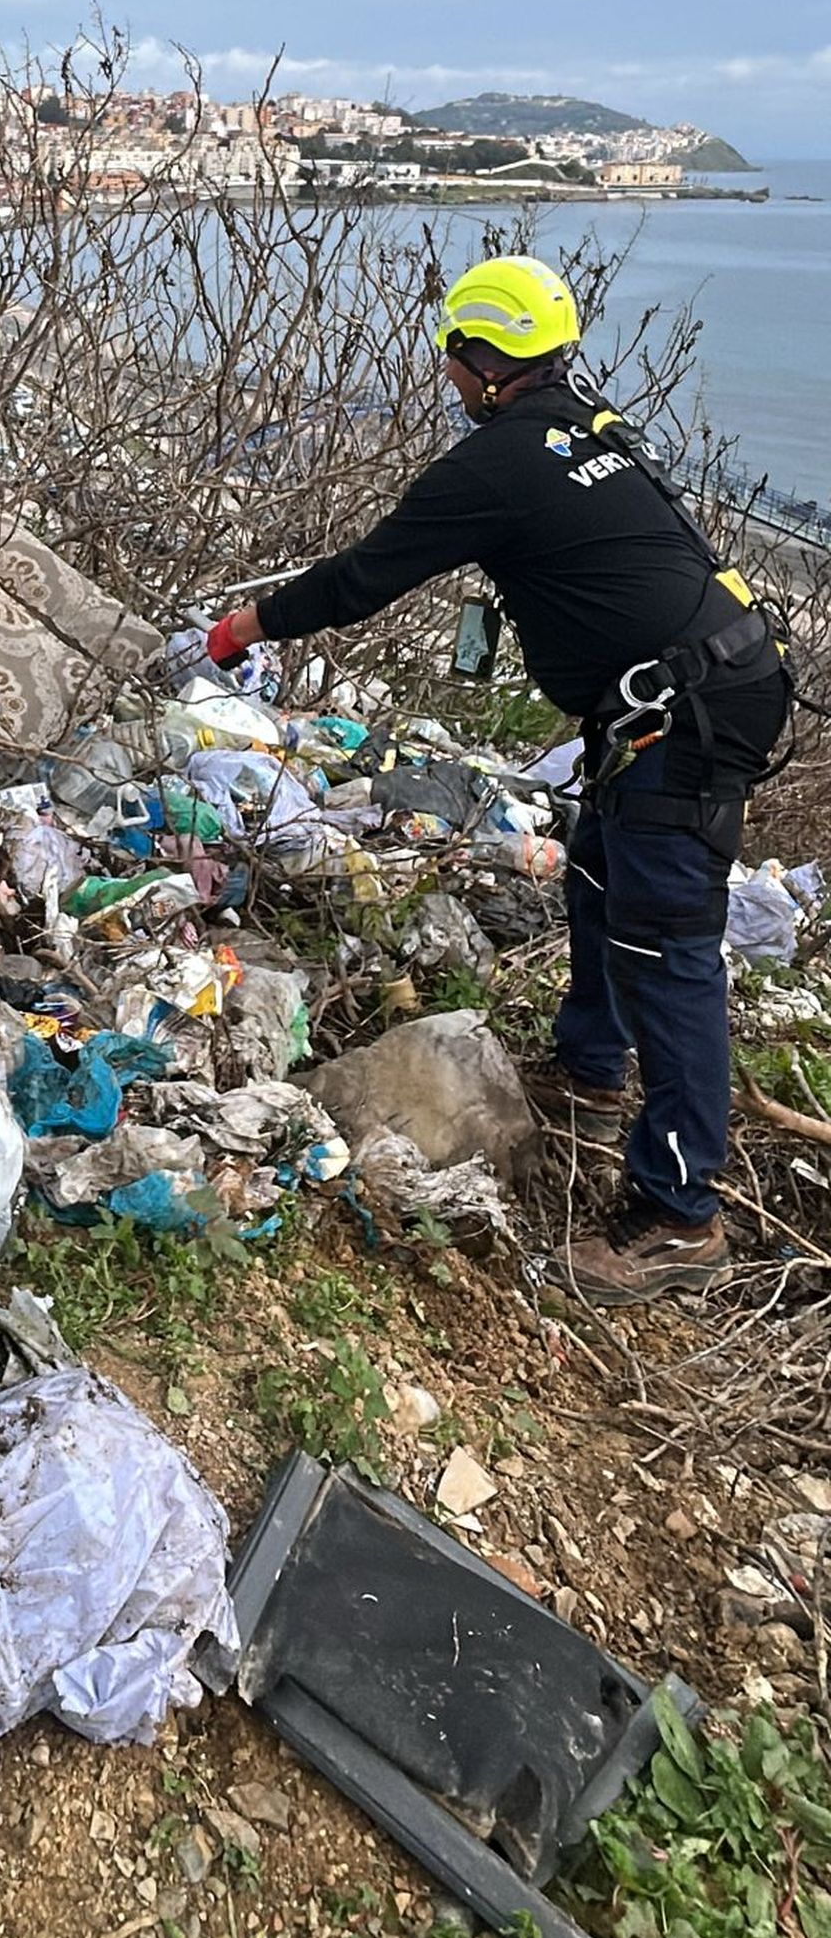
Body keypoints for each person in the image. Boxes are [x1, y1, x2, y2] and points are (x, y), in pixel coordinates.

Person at [207, 253, 790, 1304]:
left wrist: (247, 625)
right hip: (684, 696)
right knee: (600, 882)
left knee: (668, 952)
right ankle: (592, 1075)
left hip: (685, 716)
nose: (449, 378)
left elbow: (363, 577)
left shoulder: (495, 466)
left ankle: (677, 1219)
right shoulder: (585, 427)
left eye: (453, 359)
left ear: (480, 358)